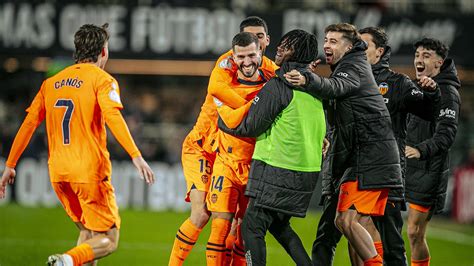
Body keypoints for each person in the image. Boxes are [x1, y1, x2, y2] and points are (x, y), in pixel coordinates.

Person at [0, 23, 155, 266]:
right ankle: (66, 260)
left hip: (59, 174)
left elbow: (28, 124)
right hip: (88, 172)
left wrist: (10, 164)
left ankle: (70, 260)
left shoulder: (51, 83)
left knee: (88, 235)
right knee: (108, 239)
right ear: (103, 52)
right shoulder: (102, 80)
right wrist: (136, 155)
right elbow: (113, 116)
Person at [284, 23, 402, 266]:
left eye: (334, 41)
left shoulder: (354, 65)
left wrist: (307, 78)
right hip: (363, 157)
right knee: (355, 223)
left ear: (349, 47)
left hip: (370, 157)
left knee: (346, 220)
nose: (326, 44)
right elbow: (334, 99)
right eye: (326, 40)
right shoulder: (344, 67)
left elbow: (334, 88)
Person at [168, 16, 277, 266]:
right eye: (249, 37)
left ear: (266, 40)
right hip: (202, 146)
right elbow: (218, 92)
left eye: (259, 37)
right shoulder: (226, 63)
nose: (255, 43)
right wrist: (259, 108)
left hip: (230, 153)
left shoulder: (271, 71)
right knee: (202, 214)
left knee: (238, 227)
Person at [218, 29, 325, 266]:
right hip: (306, 171)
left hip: (278, 168)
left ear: (294, 53)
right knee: (278, 224)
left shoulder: (279, 86)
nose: (279, 48)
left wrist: (221, 120)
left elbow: (250, 126)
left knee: (251, 227)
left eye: (285, 46)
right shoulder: (317, 88)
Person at [205, 31, 275, 266]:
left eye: (252, 55)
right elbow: (233, 122)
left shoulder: (272, 82)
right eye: (241, 57)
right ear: (233, 57)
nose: (247, 62)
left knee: (245, 231)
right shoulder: (224, 85)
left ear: (260, 53)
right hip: (226, 163)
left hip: (257, 166)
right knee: (220, 225)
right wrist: (258, 104)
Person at [405, 37, 461, 266]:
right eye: (417, 55)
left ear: (439, 63)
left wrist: (420, 150)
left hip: (428, 169)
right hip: (406, 166)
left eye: (426, 56)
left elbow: (447, 134)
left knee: (415, 232)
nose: (419, 59)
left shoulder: (447, 92)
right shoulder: (418, 86)